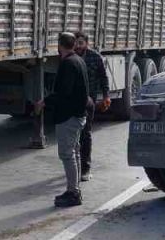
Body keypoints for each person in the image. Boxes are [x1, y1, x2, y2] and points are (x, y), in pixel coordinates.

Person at [34, 32, 91, 208]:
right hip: (79, 114)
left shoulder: (68, 64)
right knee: (74, 151)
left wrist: (44, 102)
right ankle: (75, 189)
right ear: (73, 45)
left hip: (69, 116)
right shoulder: (79, 60)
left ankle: (73, 192)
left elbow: (63, 93)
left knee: (67, 154)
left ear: (60, 45)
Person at [74, 33, 110, 181]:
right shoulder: (71, 58)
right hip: (73, 101)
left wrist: (106, 95)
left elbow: (103, 77)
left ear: (87, 44)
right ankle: (74, 165)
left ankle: (86, 168)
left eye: (81, 43)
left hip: (89, 101)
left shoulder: (95, 57)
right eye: (76, 43)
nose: (78, 46)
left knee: (85, 133)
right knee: (74, 134)